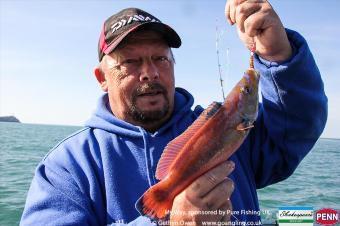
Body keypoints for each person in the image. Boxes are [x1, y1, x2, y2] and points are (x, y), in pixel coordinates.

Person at [21, 1, 327, 225]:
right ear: (102, 79)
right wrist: (165, 222)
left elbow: (297, 126)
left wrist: (277, 56)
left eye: (160, 59)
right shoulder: (66, 168)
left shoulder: (229, 128)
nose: (149, 73)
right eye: (130, 62)